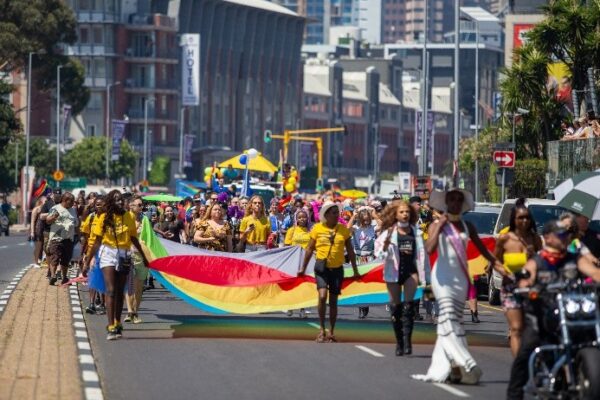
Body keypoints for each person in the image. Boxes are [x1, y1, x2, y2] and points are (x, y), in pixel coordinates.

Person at [411, 189, 502, 385]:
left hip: (460, 278)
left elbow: (483, 250)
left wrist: (499, 265)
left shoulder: (467, 225)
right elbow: (429, 248)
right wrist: (441, 223)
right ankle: (468, 363)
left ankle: (453, 369)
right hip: (442, 277)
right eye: (451, 199)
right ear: (445, 203)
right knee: (449, 318)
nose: (455, 203)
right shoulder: (437, 224)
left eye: (459, 200)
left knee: (452, 322)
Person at [506, 220, 600, 400]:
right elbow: (526, 276)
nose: (565, 238)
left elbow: (594, 272)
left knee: (592, 339)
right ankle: (514, 395)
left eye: (566, 234)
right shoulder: (538, 260)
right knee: (525, 352)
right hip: (543, 315)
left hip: (571, 311)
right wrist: (526, 285)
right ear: (548, 238)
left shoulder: (574, 258)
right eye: (560, 234)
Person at [85, 190, 150, 341]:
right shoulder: (103, 217)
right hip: (107, 253)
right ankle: (111, 326)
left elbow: (133, 238)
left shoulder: (128, 216)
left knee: (120, 291)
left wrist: (144, 257)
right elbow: (97, 241)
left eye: (121, 200)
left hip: (124, 254)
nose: (120, 202)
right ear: (110, 202)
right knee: (111, 290)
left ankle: (118, 322)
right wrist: (87, 261)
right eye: (116, 200)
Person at [298, 202, 360, 343]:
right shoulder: (317, 229)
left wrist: (355, 270)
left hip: (337, 270)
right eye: (333, 213)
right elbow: (309, 249)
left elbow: (350, 251)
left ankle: (331, 331)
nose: (336, 215)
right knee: (322, 296)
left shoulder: (343, 230)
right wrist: (302, 268)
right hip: (321, 268)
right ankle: (321, 329)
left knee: (333, 301)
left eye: (337, 213)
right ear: (326, 215)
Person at [375, 200, 428, 356]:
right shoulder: (389, 233)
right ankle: (399, 342)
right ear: (395, 215)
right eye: (402, 212)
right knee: (396, 308)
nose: (405, 214)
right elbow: (379, 256)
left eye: (407, 212)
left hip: (411, 272)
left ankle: (407, 341)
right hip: (393, 273)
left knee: (408, 307)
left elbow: (423, 256)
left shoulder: (416, 233)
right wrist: (385, 246)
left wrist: (426, 277)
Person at [493, 198, 542, 357]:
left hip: (530, 288)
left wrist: (533, 255)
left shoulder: (534, 239)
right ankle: (519, 364)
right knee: (516, 328)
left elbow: (542, 260)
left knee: (531, 328)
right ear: (514, 220)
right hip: (510, 288)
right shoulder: (505, 239)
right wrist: (506, 272)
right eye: (520, 218)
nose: (524, 221)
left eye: (527, 217)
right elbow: (495, 261)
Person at [124, 196, 149, 324]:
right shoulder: (124, 218)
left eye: (141, 205)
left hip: (141, 256)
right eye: (138, 205)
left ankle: (136, 311)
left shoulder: (145, 220)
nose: (140, 207)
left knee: (139, 288)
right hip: (128, 255)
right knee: (129, 285)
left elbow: (150, 238)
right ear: (130, 206)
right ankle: (130, 311)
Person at [283, 208, 312, 318]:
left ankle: (302, 309)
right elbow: (286, 246)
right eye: (299, 217)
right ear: (296, 219)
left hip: (306, 262)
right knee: (293, 285)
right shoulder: (292, 230)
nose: (302, 219)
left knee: (304, 286)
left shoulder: (311, 231)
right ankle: (290, 307)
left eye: (304, 217)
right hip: (294, 261)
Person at [45, 192, 78, 285]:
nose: (72, 203)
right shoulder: (56, 208)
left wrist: (80, 235)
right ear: (64, 200)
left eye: (73, 201)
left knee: (65, 259)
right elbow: (48, 220)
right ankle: (53, 276)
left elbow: (76, 224)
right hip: (56, 238)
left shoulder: (73, 210)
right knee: (55, 257)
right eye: (70, 201)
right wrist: (53, 217)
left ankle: (65, 278)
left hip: (68, 239)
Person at [350, 207, 377, 319]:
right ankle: (361, 307)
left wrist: (374, 214)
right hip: (358, 258)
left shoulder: (373, 228)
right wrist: (353, 216)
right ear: (360, 219)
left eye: (368, 219)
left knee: (367, 283)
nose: (366, 221)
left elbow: (382, 224)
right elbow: (347, 228)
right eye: (364, 219)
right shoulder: (355, 228)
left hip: (369, 257)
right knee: (359, 283)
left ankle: (365, 306)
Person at [30, 196, 47, 268]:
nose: (46, 202)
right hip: (38, 229)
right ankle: (35, 262)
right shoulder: (36, 209)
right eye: (45, 201)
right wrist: (32, 232)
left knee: (44, 246)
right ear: (41, 201)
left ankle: (41, 260)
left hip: (44, 230)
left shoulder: (46, 209)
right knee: (38, 247)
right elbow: (32, 221)